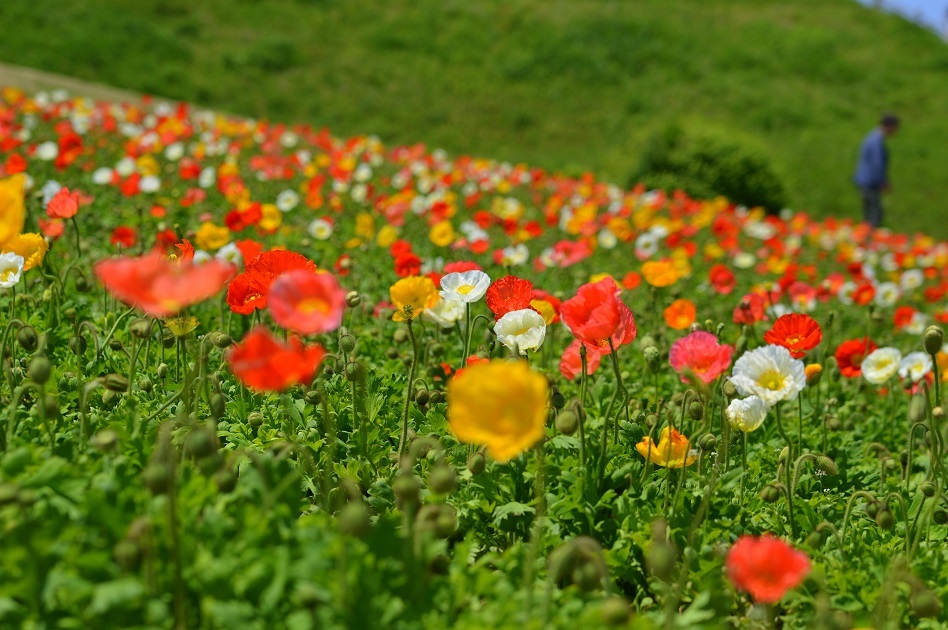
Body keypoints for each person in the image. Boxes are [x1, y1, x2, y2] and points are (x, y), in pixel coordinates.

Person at [853, 114, 899, 229]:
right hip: (870, 182)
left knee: (869, 212)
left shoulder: (872, 137)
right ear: (890, 126)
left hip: (864, 180)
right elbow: (877, 164)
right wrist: (882, 182)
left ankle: (866, 238)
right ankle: (870, 241)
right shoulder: (876, 142)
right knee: (874, 214)